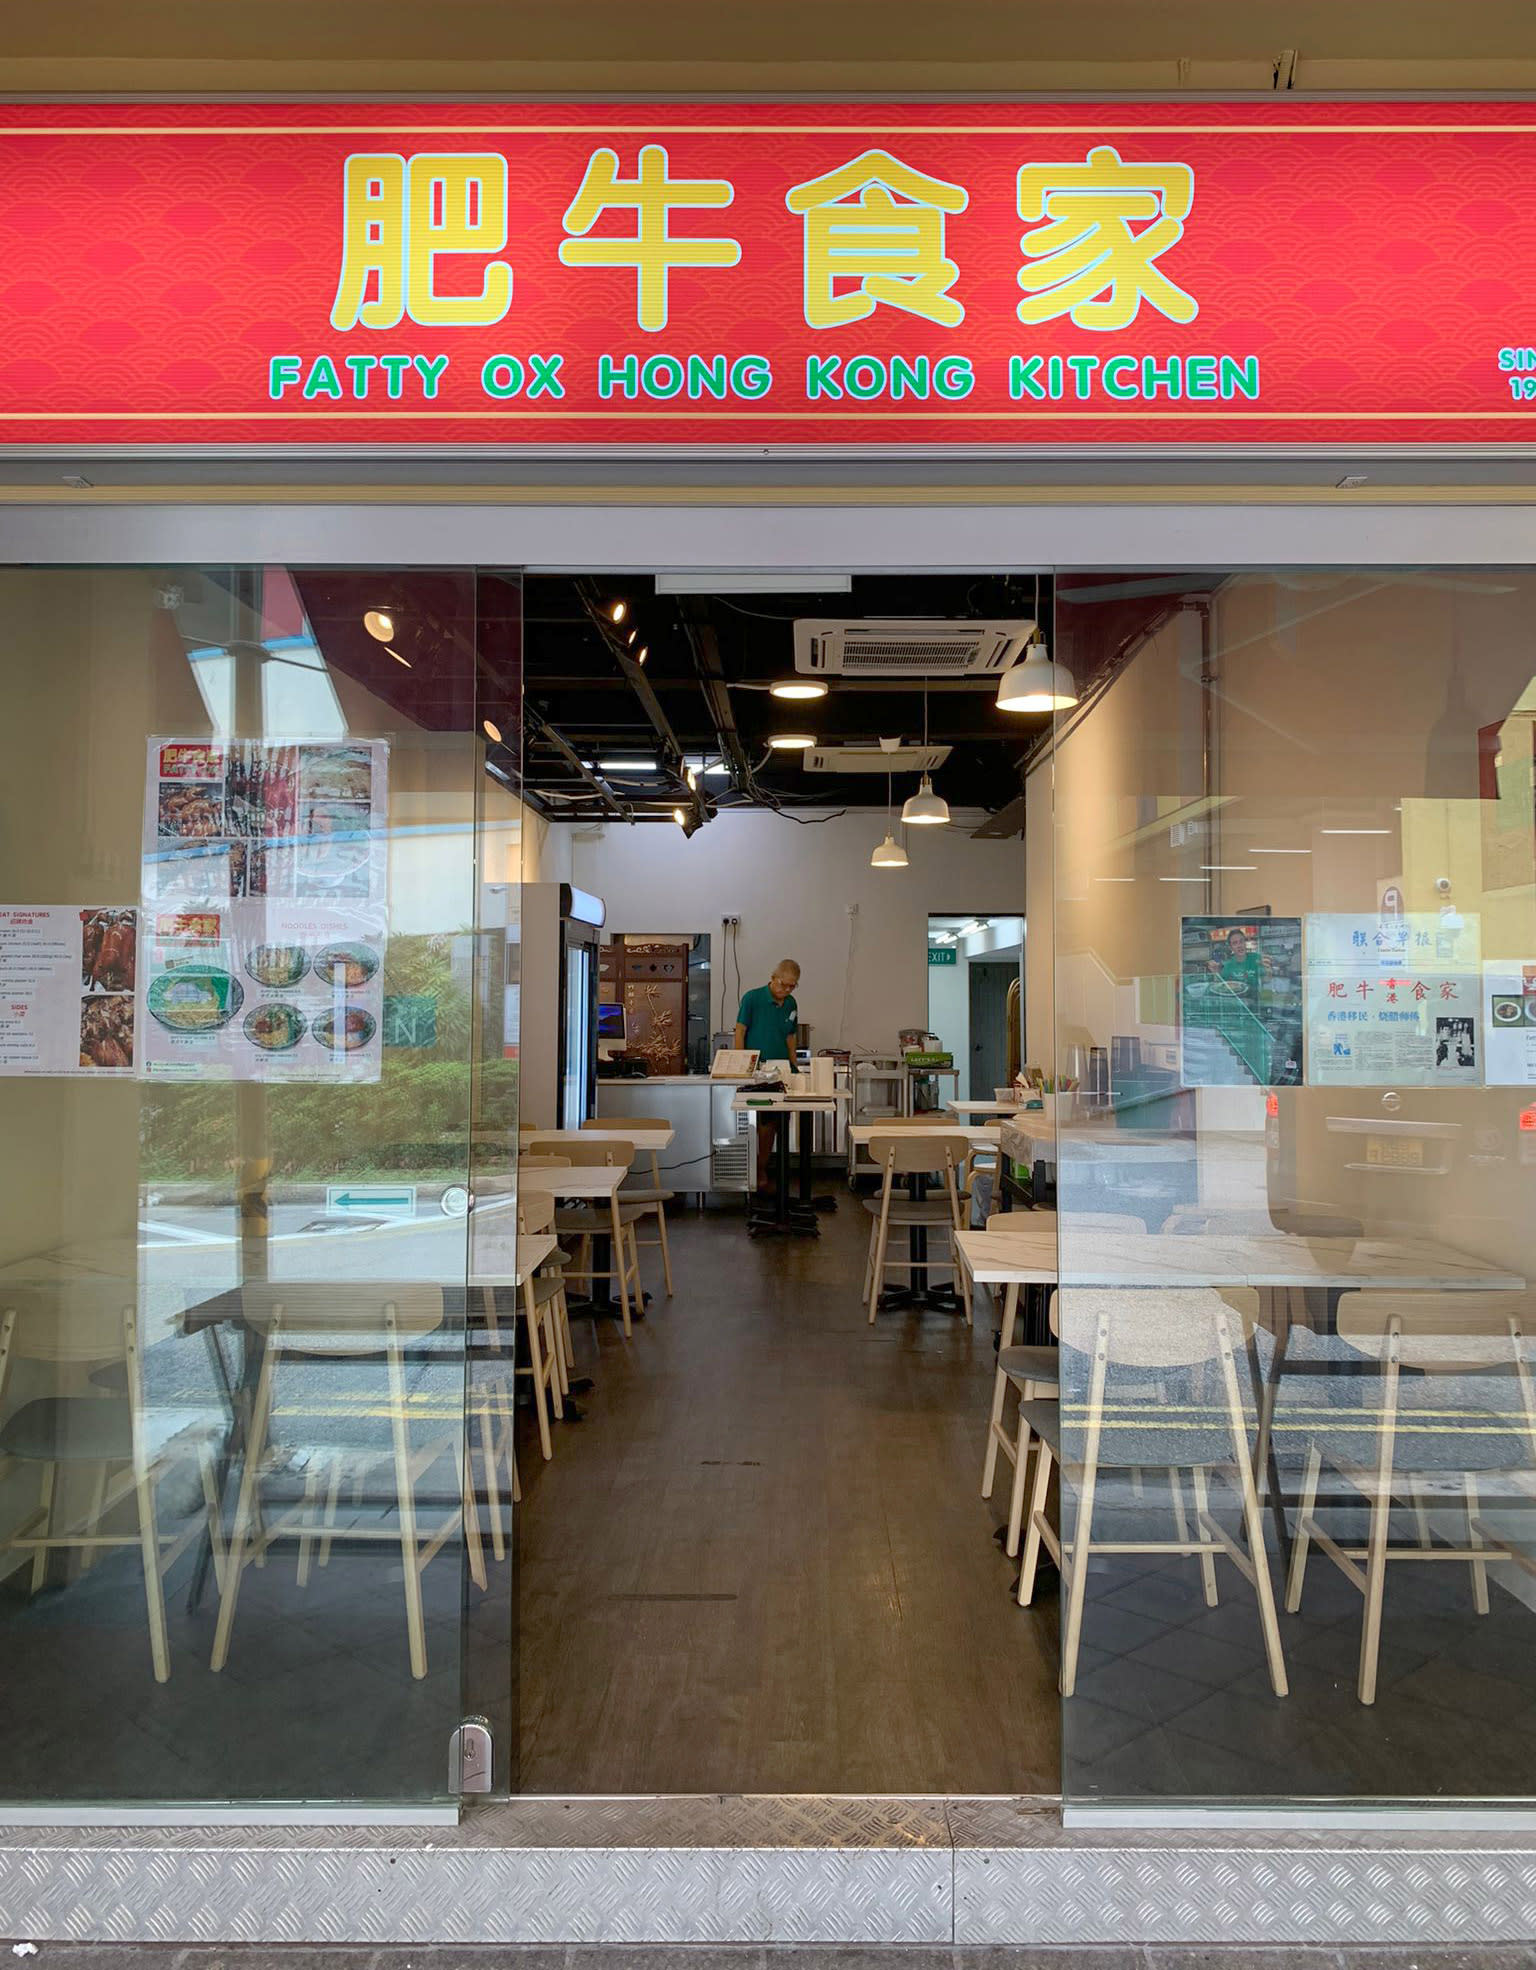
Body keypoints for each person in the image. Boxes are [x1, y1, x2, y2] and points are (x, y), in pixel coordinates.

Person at [733, 959, 801, 1204]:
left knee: (781, 1124)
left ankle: (775, 1176)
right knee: (763, 1126)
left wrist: (795, 1066)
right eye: (784, 985)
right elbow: (740, 1031)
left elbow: (791, 1036)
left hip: (783, 1071)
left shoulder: (791, 1003)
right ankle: (758, 1174)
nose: (787, 990)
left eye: (793, 987)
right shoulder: (752, 999)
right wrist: (742, 1063)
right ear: (773, 978)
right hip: (759, 1073)